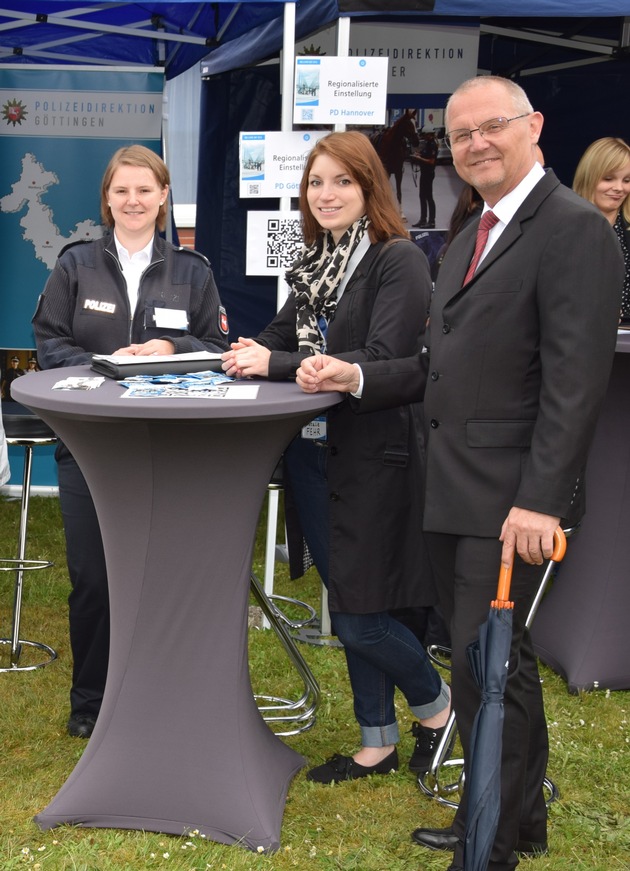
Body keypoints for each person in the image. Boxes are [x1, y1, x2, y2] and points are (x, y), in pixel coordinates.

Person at [296, 76, 623, 869]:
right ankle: (519, 819)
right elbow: (434, 366)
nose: (476, 143)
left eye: (492, 127)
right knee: (490, 669)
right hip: (448, 491)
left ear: (534, 126)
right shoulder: (474, 226)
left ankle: (489, 847)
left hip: (509, 502)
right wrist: (358, 377)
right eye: (461, 134)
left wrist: (542, 501)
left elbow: (575, 384)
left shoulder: (573, 229)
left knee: (489, 670)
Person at [221, 130, 451, 783]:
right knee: (352, 600)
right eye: (316, 183)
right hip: (314, 459)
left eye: (342, 181)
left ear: (369, 187)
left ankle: (437, 706)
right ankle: (376, 740)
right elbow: (269, 342)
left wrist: (278, 361)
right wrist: (219, 350)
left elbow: (380, 358)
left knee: (359, 615)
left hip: (374, 457)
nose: (326, 194)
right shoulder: (318, 265)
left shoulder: (396, 260)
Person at [33, 144, 229, 739]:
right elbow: (47, 341)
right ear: (107, 200)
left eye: (145, 190)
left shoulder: (193, 272)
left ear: (164, 196)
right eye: (122, 191)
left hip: (168, 448)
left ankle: (157, 690)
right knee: (94, 578)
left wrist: (172, 350)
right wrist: (102, 364)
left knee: (163, 575)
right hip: (89, 446)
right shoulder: (75, 266)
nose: (134, 201)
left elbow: (219, 351)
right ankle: (91, 701)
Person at [573, 137, 630, 322]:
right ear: (589, 177)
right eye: (608, 179)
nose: (619, 188)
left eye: (627, 180)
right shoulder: (563, 226)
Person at [412, 129, 439, 228]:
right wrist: (418, 155)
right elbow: (425, 155)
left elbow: (431, 161)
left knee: (429, 197)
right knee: (422, 196)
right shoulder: (427, 144)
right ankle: (423, 219)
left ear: (429, 134)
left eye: (425, 134)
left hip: (428, 173)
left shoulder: (432, 145)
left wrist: (419, 159)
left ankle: (431, 221)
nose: (424, 136)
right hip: (424, 173)